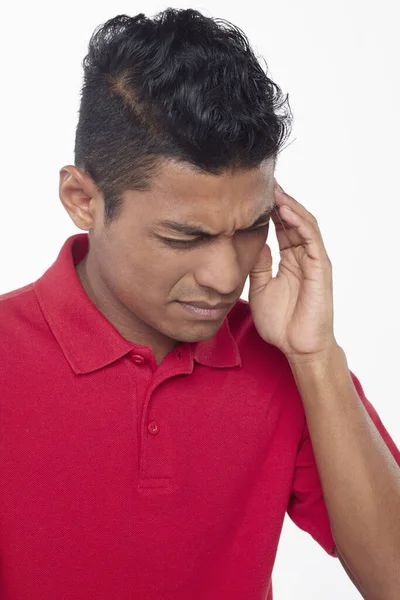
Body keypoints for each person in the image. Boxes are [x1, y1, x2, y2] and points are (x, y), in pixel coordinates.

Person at [0, 8, 399, 600]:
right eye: (185, 236)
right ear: (82, 199)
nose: (225, 275)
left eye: (251, 227)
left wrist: (316, 360)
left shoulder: (287, 362)